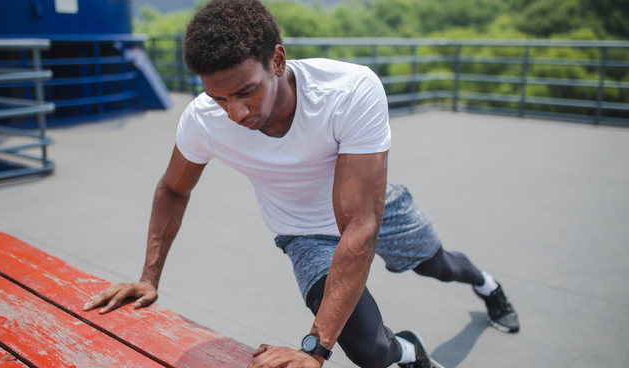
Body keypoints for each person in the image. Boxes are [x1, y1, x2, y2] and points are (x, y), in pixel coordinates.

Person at [82, 1, 519, 367]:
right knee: (369, 352)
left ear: (277, 59)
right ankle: (412, 350)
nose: (234, 113)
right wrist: (149, 276)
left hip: (370, 210)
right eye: (220, 98)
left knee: (437, 265)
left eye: (246, 92)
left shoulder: (348, 91)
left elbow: (362, 226)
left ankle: (487, 284)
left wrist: (313, 349)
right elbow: (173, 188)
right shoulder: (204, 119)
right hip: (303, 234)